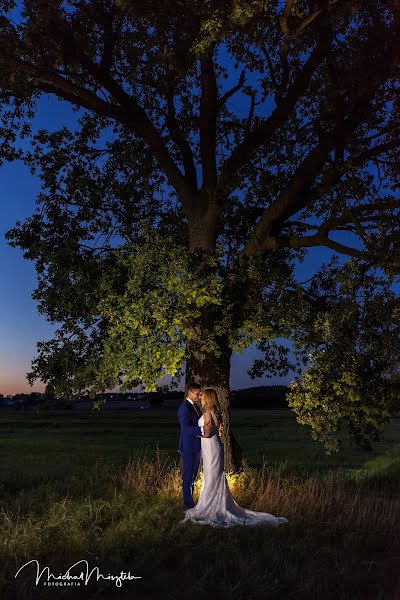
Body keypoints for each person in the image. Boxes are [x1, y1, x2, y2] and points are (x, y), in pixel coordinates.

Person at [179, 387, 289, 528]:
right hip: (213, 447)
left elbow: (206, 434)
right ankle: (214, 503)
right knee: (213, 476)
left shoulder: (207, 413)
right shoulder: (215, 412)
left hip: (210, 449)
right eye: (199, 395)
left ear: (208, 398)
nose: (200, 397)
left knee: (211, 476)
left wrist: (198, 434)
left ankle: (210, 506)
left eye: (203, 396)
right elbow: (217, 431)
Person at [177, 382, 203, 509]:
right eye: (197, 393)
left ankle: (191, 502)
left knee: (193, 475)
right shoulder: (184, 408)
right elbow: (185, 428)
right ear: (190, 393)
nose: (199, 395)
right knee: (188, 476)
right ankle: (188, 504)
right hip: (188, 446)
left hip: (197, 446)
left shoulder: (197, 408)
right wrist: (202, 432)